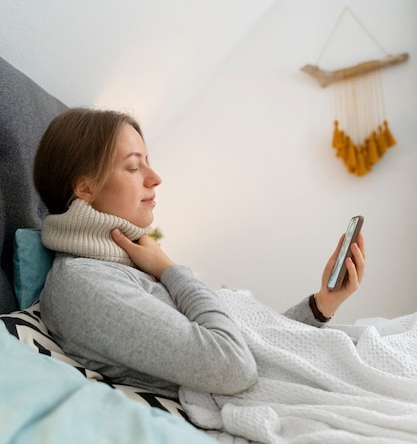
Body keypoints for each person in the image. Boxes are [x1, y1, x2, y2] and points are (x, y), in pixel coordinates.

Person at [34, 108, 365, 399]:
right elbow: (233, 366)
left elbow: (253, 347)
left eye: (148, 162)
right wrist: (170, 270)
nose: (156, 178)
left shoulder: (127, 263)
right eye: (134, 167)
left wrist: (322, 305)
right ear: (85, 188)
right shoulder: (84, 284)